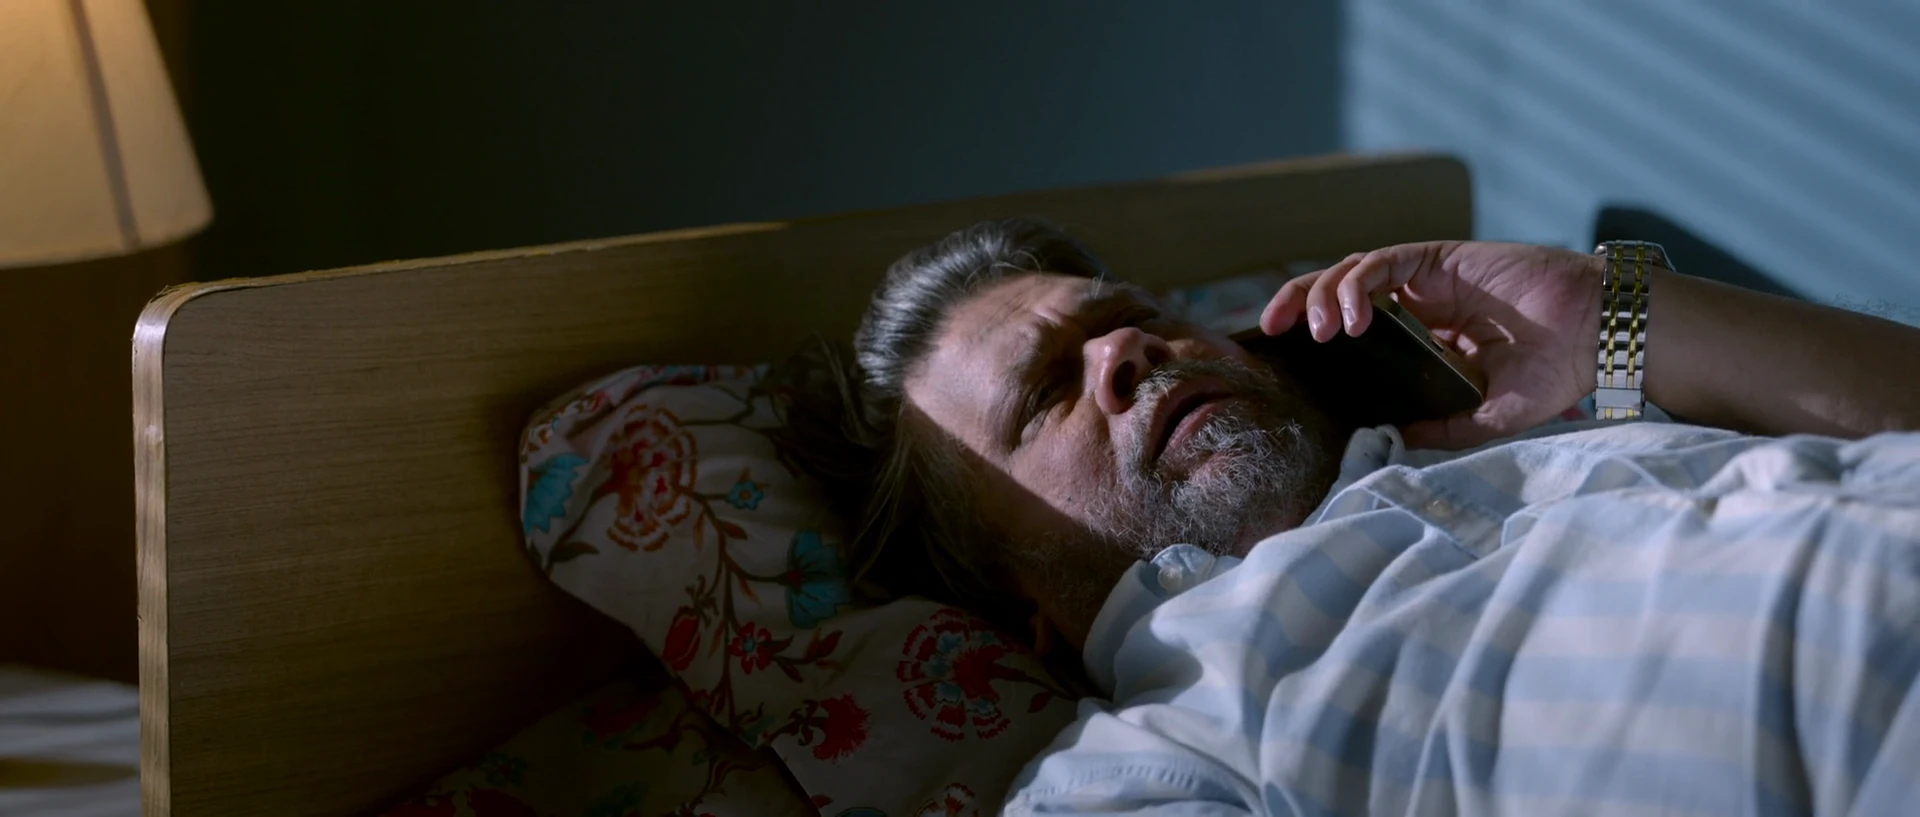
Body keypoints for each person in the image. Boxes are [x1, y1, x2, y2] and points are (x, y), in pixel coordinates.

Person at [786, 218, 1920, 815]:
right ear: (1015, 600)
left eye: (1132, 317)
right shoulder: (1140, 767)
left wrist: (1605, 315)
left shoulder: (1552, 423)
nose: (1124, 349)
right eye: (1044, 392)